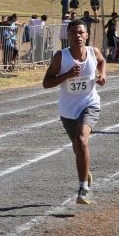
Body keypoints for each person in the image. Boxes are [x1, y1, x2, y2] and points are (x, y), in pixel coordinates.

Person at [42, 18, 106, 205]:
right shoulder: (61, 57)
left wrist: (102, 76)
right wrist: (67, 75)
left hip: (90, 104)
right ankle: (86, 172)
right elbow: (46, 83)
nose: (77, 36)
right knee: (77, 147)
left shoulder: (93, 53)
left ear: (86, 35)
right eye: (73, 33)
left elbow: (102, 62)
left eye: (81, 32)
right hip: (68, 110)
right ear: (67, 36)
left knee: (81, 140)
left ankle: (83, 189)